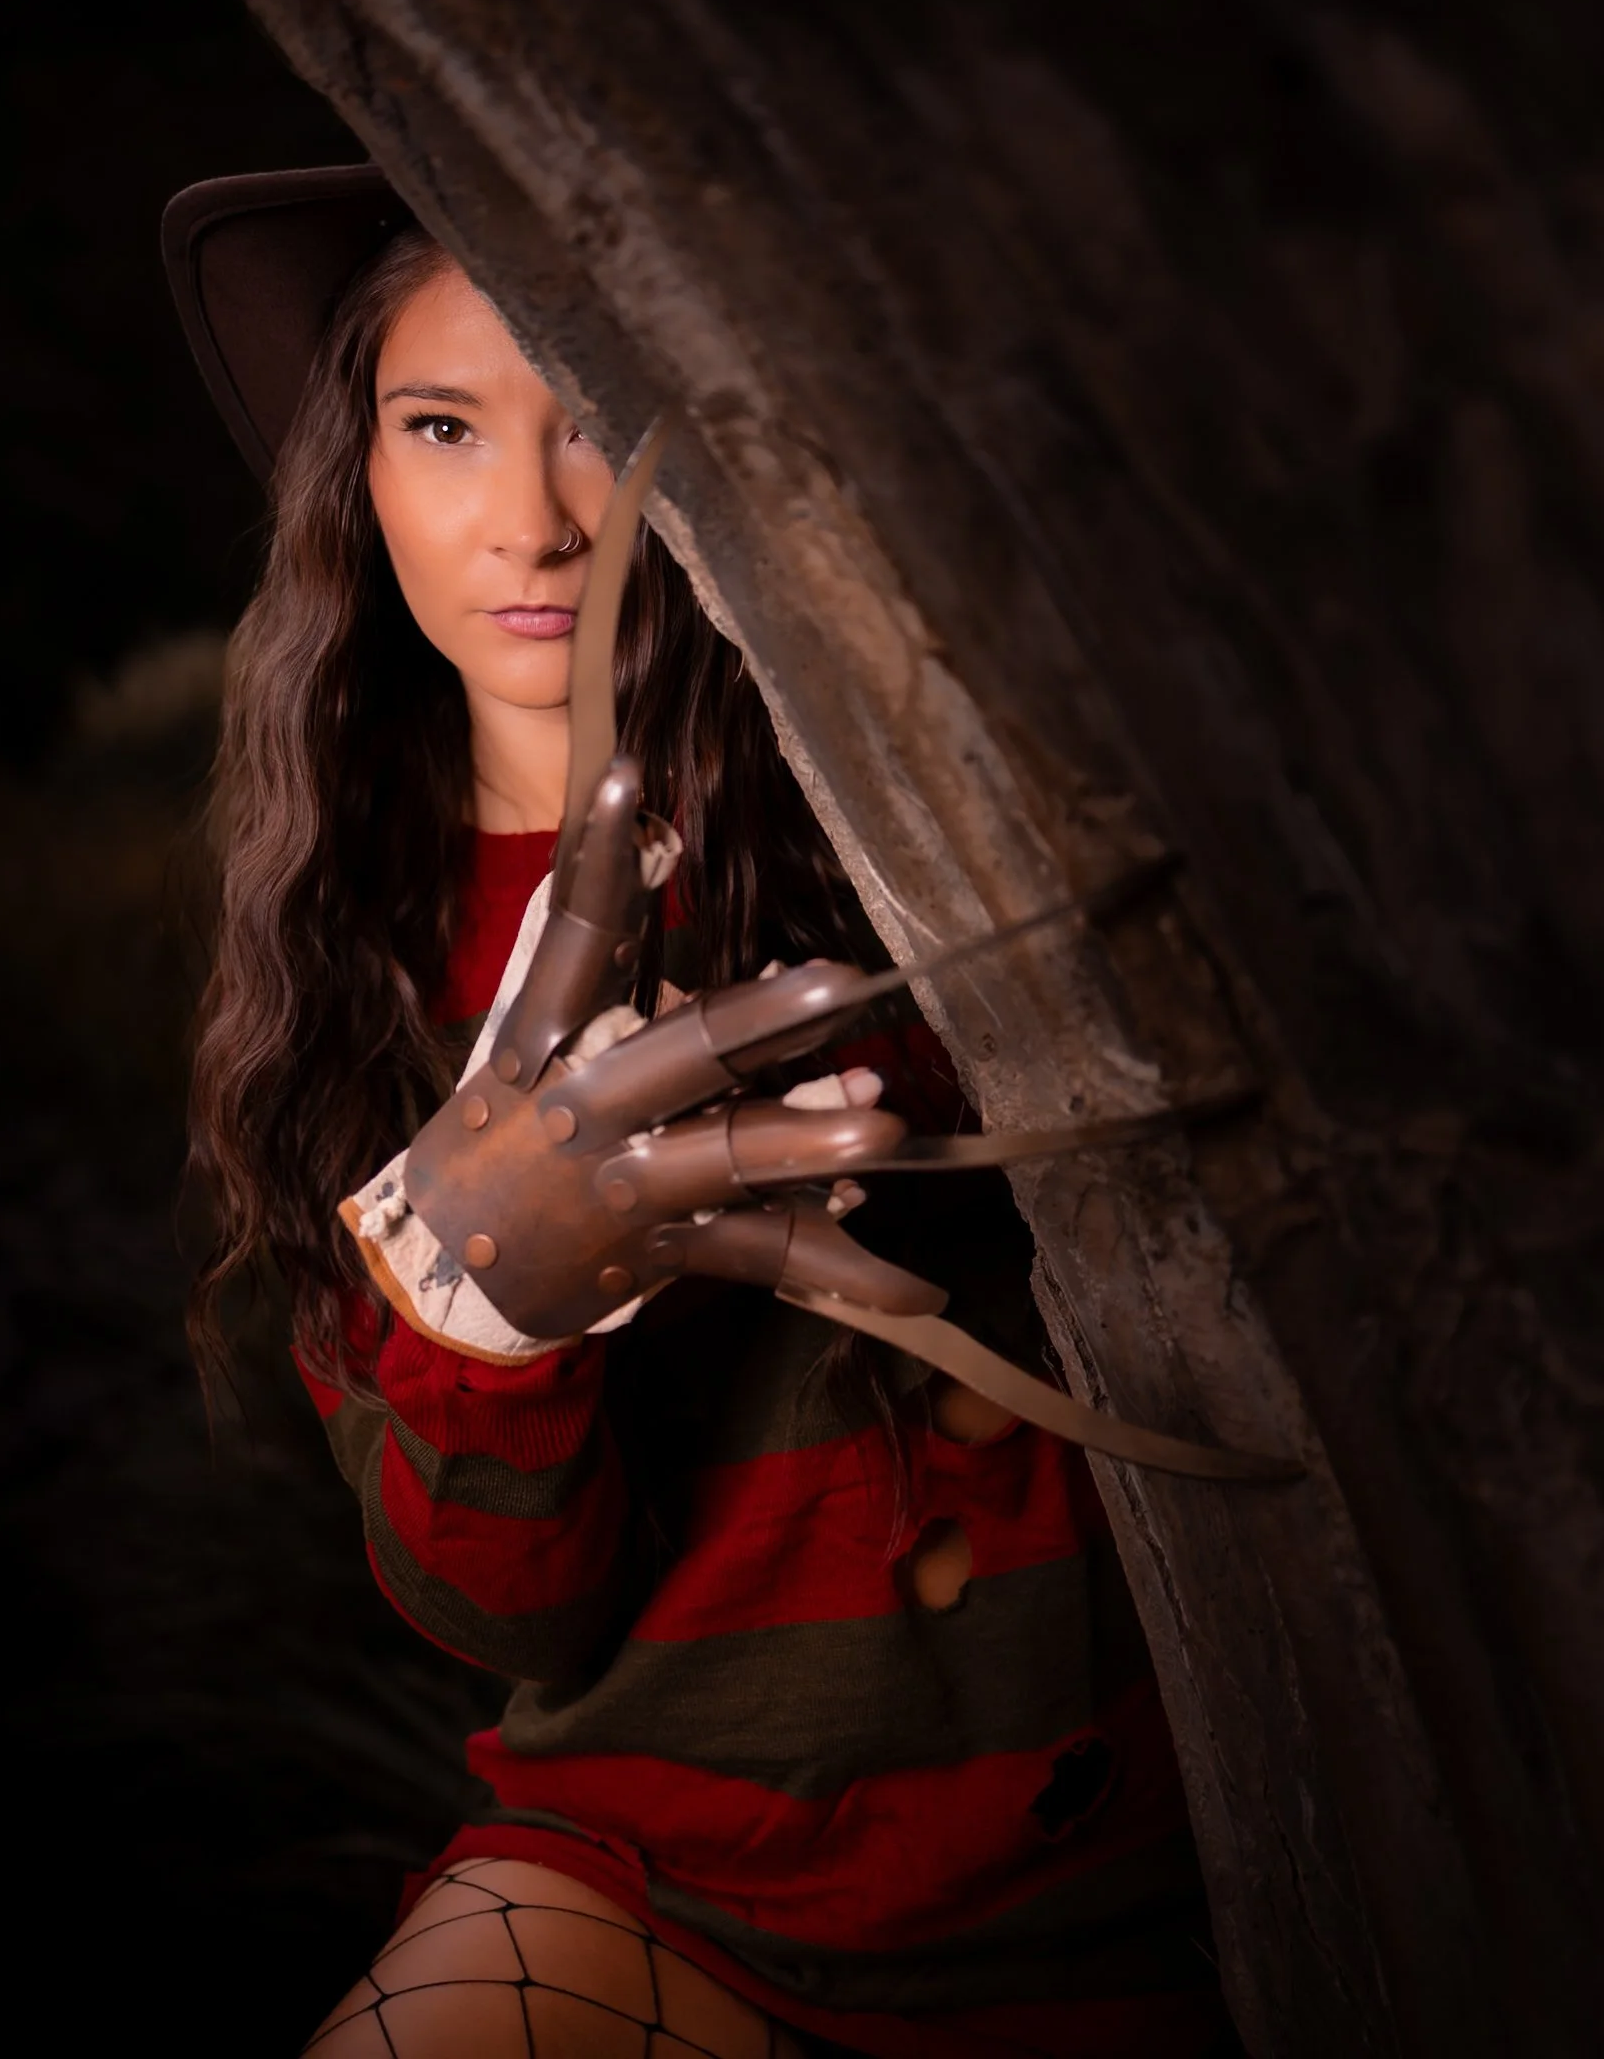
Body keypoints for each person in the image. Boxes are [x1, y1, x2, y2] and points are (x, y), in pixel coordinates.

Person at [172, 166, 1231, 2058]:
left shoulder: (933, 817)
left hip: (1170, 1870)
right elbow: (501, 1609)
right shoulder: (338, 979)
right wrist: (489, 1308)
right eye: (442, 429)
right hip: (658, 1884)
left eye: (597, 421)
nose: (533, 521)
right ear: (356, 486)